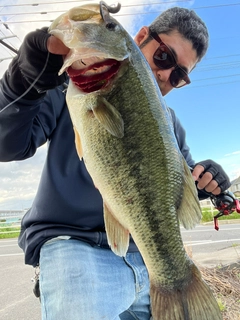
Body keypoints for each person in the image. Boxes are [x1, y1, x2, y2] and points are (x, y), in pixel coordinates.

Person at [0, 6, 230, 320]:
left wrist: (207, 180)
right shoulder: (71, 85)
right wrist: (23, 76)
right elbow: (8, 145)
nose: (165, 75)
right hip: (73, 246)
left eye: (179, 76)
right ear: (140, 38)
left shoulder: (171, 123)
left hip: (146, 255)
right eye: (164, 57)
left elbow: (181, 185)